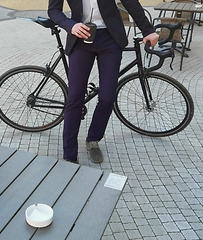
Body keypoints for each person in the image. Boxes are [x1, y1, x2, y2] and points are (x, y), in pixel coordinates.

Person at [48, 0, 159, 164]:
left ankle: (93, 139)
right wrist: (70, 25)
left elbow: (131, 3)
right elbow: (53, 10)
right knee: (75, 97)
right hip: (80, 38)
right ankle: (69, 154)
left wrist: (148, 30)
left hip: (110, 38)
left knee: (107, 97)